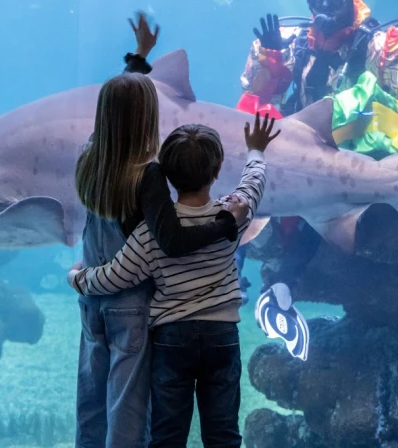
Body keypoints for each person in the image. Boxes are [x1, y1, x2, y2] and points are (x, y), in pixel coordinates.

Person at [234, 0, 398, 356]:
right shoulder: (294, 41)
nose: (323, 9)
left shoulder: (378, 43)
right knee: (245, 165)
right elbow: (259, 92)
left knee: (319, 199)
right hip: (297, 141)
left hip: (356, 144)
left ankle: (284, 284)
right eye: (315, 0)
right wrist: (270, 57)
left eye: (332, 0)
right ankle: (229, 277)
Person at [72, 13, 243, 448]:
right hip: (130, 307)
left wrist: (138, 59)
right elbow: (170, 241)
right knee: (128, 406)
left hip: (92, 303)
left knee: (91, 398)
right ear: (149, 119)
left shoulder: (90, 157)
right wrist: (227, 223)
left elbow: (115, 108)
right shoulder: (147, 174)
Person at [69, 114, 276, 448]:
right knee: (223, 432)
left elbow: (114, 277)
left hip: (172, 339)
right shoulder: (234, 216)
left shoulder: (150, 233)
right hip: (221, 337)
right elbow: (254, 183)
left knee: (167, 434)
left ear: (164, 174)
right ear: (218, 169)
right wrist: (256, 151)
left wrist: (78, 278)